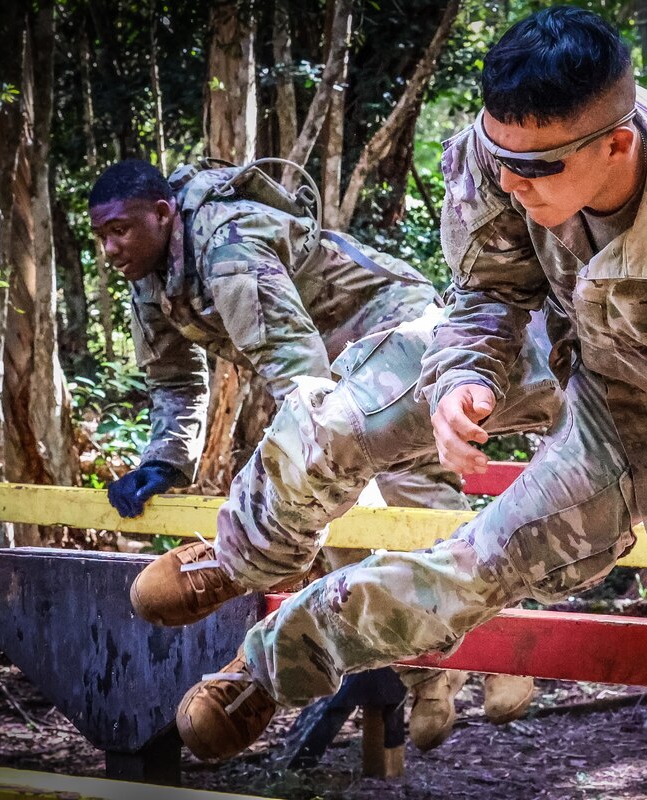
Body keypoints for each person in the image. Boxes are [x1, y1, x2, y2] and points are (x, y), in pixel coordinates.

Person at [144, 7, 647, 763]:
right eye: (500, 159)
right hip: (557, 329)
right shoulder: (500, 154)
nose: (512, 181)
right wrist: (462, 378)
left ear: (617, 147)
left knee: (483, 561)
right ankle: (243, 554)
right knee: (343, 411)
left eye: (535, 168)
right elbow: (486, 289)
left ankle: (271, 666)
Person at [88, 158, 539, 751]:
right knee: (354, 519)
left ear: (163, 213)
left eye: (120, 229)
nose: (110, 249)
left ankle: (504, 652)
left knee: (406, 503)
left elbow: (294, 369)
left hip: (394, 333)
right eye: (100, 236)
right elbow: (175, 381)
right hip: (333, 366)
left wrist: (296, 480)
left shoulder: (228, 245)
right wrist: (164, 459)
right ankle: (433, 675)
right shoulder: (151, 282)